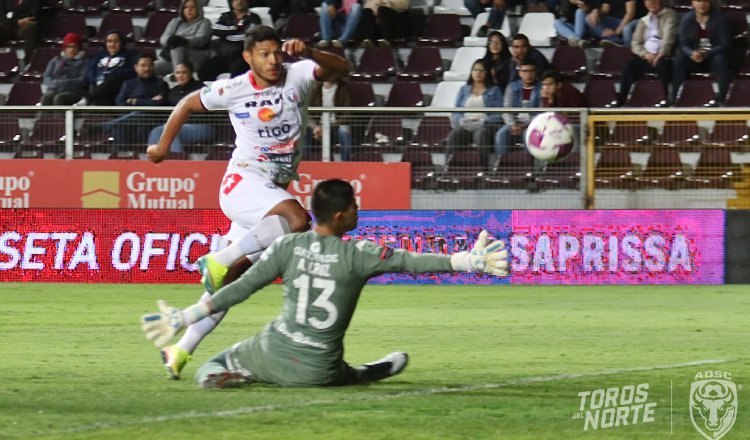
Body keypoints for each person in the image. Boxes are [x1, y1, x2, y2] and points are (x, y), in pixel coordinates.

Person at [141, 179, 509, 388]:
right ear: (340, 215)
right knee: (343, 374)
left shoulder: (286, 246)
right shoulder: (361, 254)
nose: (358, 211)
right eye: (354, 206)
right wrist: (467, 261)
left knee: (211, 366)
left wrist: (185, 317)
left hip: (270, 354)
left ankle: (235, 375)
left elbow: (241, 288)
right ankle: (368, 372)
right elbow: (414, 262)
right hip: (319, 368)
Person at [145, 25, 350, 380]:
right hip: (243, 184)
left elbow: (342, 68)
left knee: (229, 285)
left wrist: (310, 51)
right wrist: (162, 147)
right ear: (248, 57)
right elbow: (185, 103)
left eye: (277, 53)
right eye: (264, 54)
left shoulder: (299, 73)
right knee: (299, 219)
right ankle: (219, 259)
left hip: (268, 195)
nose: (273, 60)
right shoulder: (234, 89)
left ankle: (179, 350)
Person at [91, 53, 169, 151]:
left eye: (150, 65)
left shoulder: (161, 84)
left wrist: (135, 101)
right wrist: (148, 101)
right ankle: (122, 157)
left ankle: (105, 126)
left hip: (151, 124)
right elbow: (120, 104)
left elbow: (159, 104)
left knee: (141, 113)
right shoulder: (128, 84)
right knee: (119, 127)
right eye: (143, 65)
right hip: (129, 125)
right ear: (136, 67)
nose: (147, 69)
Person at [617, 0, 677, 105]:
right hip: (646, 56)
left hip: (663, 55)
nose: (652, 2)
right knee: (630, 66)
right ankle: (622, 99)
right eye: (648, 1)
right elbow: (635, 43)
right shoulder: (643, 20)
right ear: (645, 4)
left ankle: (663, 98)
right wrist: (645, 54)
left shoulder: (670, 15)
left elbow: (668, 39)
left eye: (654, 0)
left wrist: (660, 55)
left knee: (663, 65)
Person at [446, 59, 503, 168]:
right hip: (467, 124)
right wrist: (461, 121)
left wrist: (484, 121)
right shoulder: (463, 89)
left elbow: (499, 114)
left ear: (487, 72)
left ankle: (483, 169)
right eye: (475, 70)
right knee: (454, 135)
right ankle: (449, 168)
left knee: (481, 134)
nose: (478, 73)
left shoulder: (495, 90)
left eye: (481, 70)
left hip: (486, 125)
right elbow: (456, 112)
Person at [148, 61, 214, 153]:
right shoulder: (173, 91)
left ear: (191, 73)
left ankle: (177, 159)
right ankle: (155, 158)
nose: (180, 75)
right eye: (178, 73)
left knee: (171, 130)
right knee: (156, 131)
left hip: (203, 126)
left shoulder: (201, 89)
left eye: (184, 72)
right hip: (180, 125)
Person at [672, 0, 730, 105]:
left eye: (705, 1)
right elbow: (683, 44)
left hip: (713, 56)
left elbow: (724, 44)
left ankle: (721, 99)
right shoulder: (687, 19)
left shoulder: (720, 18)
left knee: (721, 59)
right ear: (693, 3)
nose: (702, 4)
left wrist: (706, 54)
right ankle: (676, 98)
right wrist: (691, 53)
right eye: (698, 1)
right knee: (679, 59)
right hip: (694, 57)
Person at [197, 0, 261, 82]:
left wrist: (226, 35)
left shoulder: (254, 18)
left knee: (238, 72)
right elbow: (215, 29)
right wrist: (234, 28)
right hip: (223, 56)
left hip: (242, 56)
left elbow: (248, 35)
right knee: (204, 71)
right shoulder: (225, 16)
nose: (239, 1)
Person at [495, 60, 541, 158]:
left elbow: (541, 113)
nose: (528, 74)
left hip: (533, 125)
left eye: (531, 71)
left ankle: (528, 163)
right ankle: (502, 162)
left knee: (527, 134)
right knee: (501, 134)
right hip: (514, 124)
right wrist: (512, 124)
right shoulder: (512, 87)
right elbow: (506, 110)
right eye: (525, 71)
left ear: (536, 72)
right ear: (520, 73)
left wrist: (525, 125)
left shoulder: (541, 88)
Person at [155, 0, 212, 77]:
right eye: (186, 7)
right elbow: (163, 38)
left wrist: (184, 41)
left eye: (192, 7)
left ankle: (178, 75)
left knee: (178, 46)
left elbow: (201, 39)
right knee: (152, 67)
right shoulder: (175, 22)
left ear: (198, 9)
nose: (189, 10)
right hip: (173, 58)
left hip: (196, 56)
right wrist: (169, 40)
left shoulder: (205, 22)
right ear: (182, 9)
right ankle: (177, 72)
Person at [306, 78, 354, 161]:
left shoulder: (343, 87)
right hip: (319, 127)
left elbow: (347, 113)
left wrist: (328, 128)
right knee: (304, 129)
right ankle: (306, 162)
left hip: (336, 126)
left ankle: (346, 163)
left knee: (344, 130)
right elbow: (307, 113)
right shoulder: (315, 88)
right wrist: (316, 127)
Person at [85, 30, 137, 106]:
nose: (112, 44)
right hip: (96, 87)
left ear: (121, 43)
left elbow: (133, 72)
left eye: (116, 41)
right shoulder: (100, 55)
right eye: (109, 41)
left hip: (117, 91)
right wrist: (94, 79)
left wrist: (110, 74)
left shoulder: (130, 54)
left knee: (114, 80)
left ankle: (87, 100)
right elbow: (90, 70)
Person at [41, 33, 89, 106]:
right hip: (55, 89)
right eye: (69, 47)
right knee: (46, 98)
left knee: (60, 98)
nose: (72, 49)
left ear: (79, 48)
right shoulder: (55, 60)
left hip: (76, 92)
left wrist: (62, 85)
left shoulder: (86, 62)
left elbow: (83, 80)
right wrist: (58, 84)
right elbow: (46, 78)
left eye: (74, 47)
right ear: (65, 48)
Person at [0, 0, 41, 64]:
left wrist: (13, 21)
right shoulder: (5, 1)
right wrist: (18, 22)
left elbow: (32, 16)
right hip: (9, 27)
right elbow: (2, 20)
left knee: (30, 27)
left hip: (23, 27)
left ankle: (28, 63)